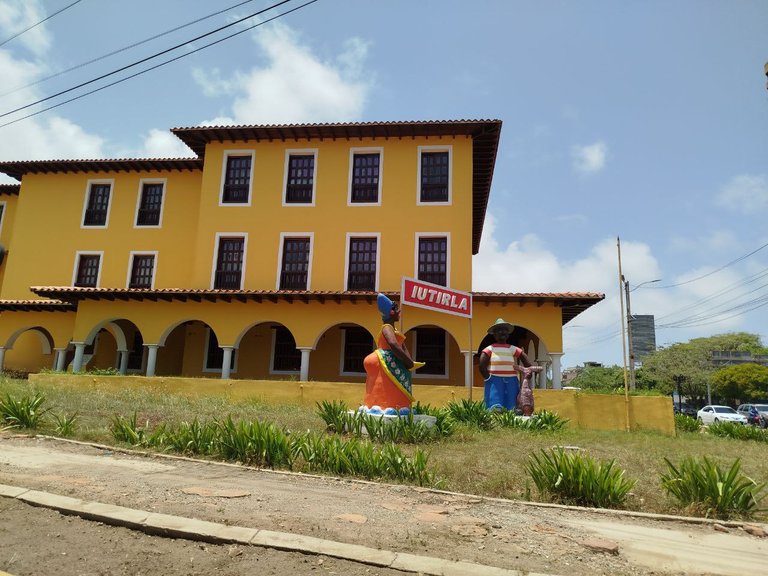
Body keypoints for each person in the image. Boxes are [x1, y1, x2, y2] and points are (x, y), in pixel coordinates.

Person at [361, 294, 424, 414]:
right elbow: (393, 344)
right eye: (397, 310)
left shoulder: (394, 330)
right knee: (389, 386)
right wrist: (408, 362)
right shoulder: (387, 328)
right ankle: (385, 407)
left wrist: (410, 362)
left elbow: (402, 346)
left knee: (396, 387)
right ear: (391, 312)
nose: (399, 312)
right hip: (386, 359)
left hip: (394, 359)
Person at [478, 318, 534, 411]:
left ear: (508, 334)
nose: (502, 332)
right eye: (499, 330)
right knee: (495, 400)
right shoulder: (490, 348)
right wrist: (488, 377)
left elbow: (523, 356)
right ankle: (495, 410)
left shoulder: (512, 348)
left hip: (511, 379)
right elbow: (482, 365)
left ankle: (511, 411)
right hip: (494, 380)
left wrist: (528, 369)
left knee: (511, 399)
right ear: (494, 334)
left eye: (504, 330)